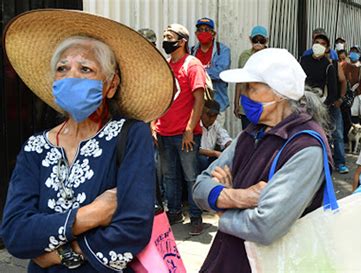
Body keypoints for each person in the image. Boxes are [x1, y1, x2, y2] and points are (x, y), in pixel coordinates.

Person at [0, 9, 174, 272]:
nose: (71, 76)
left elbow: (133, 228)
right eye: (62, 68)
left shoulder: (130, 135)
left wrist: (61, 254)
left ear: (110, 85)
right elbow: (15, 234)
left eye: (85, 68)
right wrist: (91, 215)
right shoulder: (35, 147)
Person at [193, 48, 332, 273]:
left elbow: (266, 226)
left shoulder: (307, 147)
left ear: (278, 94)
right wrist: (240, 197)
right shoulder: (250, 133)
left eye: (252, 88)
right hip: (227, 259)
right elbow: (200, 187)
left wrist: (221, 210)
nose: (244, 96)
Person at [154, 23, 206, 235]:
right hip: (164, 131)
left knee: (190, 176)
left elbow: (199, 99)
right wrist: (153, 125)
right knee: (169, 176)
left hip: (185, 134)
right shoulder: (166, 66)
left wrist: (189, 129)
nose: (165, 40)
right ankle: (174, 211)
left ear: (182, 41)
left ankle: (195, 215)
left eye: (170, 36)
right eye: (164, 36)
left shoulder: (192, 65)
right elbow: (158, 99)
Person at [300, 30, 349, 174]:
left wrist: (339, 99)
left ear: (327, 48)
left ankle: (340, 162)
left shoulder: (331, 63)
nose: (319, 46)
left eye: (322, 44)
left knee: (337, 134)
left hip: (329, 103)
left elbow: (339, 83)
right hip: (309, 104)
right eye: (316, 42)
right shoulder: (304, 60)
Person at [191, 17, 231, 120]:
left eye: (207, 30)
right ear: (196, 34)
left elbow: (220, 73)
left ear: (213, 34)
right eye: (200, 30)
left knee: (216, 135)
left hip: (217, 105)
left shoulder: (222, 50)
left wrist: (198, 73)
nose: (203, 32)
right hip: (197, 107)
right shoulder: (191, 51)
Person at [234, 25, 269, 130]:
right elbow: (239, 80)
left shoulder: (270, 56)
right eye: (255, 40)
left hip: (265, 105)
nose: (258, 43)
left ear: (266, 40)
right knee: (248, 136)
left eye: (261, 40)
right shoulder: (245, 55)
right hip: (247, 105)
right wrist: (236, 103)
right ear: (250, 39)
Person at [199, 99, 232, 172]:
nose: (211, 119)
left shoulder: (215, 125)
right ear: (202, 112)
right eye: (209, 115)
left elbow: (225, 137)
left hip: (211, 157)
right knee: (202, 160)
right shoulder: (196, 125)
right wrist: (214, 153)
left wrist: (230, 147)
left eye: (214, 116)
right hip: (199, 159)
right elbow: (196, 149)